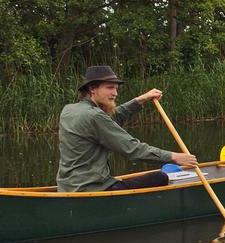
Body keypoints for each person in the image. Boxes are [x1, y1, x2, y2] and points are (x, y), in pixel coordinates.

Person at [57, 65, 197, 192]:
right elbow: (132, 149)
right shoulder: (94, 116)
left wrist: (140, 100)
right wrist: (173, 157)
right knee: (160, 177)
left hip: (67, 187)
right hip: (93, 188)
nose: (115, 93)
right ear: (92, 89)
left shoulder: (69, 110)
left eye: (116, 88)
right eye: (110, 88)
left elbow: (111, 119)